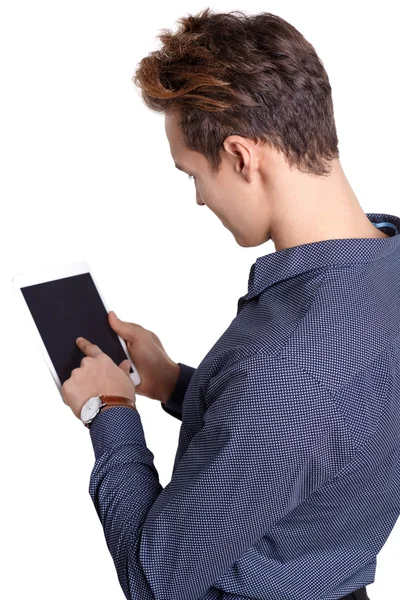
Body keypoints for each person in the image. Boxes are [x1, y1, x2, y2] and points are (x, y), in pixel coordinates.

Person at [62, 8, 400, 600]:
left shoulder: (288, 366)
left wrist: (108, 413)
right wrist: (173, 385)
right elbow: (319, 443)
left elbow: (156, 583)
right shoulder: (385, 267)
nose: (198, 199)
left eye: (193, 174)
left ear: (242, 157)